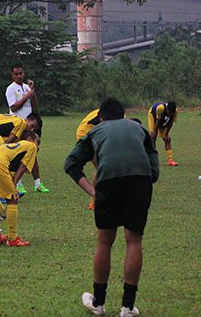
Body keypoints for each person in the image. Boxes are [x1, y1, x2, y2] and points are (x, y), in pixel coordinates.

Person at [64, 97, 159, 317]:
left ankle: (98, 303)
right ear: (123, 115)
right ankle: (127, 307)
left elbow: (71, 163)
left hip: (108, 181)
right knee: (134, 240)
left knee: (105, 241)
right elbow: (153, 164)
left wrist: (92, 191)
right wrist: (144, 181)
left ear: (101, 118)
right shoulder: (139, 128)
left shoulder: (96, 131)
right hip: (140, 180)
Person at [0, 131, 40, 247]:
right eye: (38, 143)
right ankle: (12, 238)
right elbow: (22, 167)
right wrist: (14, 184)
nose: (38, 147)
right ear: (31, 139)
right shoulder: (31, 146)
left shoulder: (13, 147)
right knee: (12, 199)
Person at [0, 113, 49, 194]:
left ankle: (35, 184)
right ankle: (14, 187)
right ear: (27, 119)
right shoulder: (22, 123)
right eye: (32, 126)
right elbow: (9, 141)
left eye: (33, 129)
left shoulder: (14, 121)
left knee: (28, 154)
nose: (31, 129)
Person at [76, 109, 101, 210]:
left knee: (102, 166)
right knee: (101, 167)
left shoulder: (114, 114)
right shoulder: (118, 119)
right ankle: (94, 201)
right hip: (85, 134)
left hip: (91, 133)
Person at [147, 101, 178, 166]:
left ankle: (170, 160)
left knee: (167, 139)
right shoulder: (160, 108)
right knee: (153, 136)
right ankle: (153, 159)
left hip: (161, 119)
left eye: (172, 113)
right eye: (169, 113)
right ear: (167, 109)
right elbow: (158, 121)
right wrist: (155, 131)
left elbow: (171, 122)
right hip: (153, 115)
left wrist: (166, 134)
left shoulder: (175, 111)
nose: (170, 114)